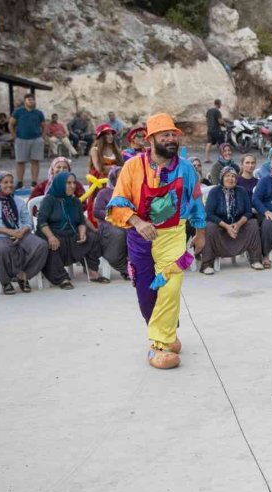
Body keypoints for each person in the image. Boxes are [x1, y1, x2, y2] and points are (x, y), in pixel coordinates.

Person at [106, 113, 207, 369]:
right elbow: (117, 203)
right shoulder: (132, 167)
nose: (171, 138)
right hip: (140, 238)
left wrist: (201, 232)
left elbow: (195, 200)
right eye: (165, 135)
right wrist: (138, 222)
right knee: (146, 292)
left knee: (171, 287)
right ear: (151, 139)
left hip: (174, 235)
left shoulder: (185, 168)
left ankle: (158, 346)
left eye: (173, 134)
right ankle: (167, 333)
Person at [0, 171, 48, 294]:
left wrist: (21, 231)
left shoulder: (18, 201)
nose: (9, 185)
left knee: (40, 245)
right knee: (2, 249)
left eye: (11, 182)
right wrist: (10, 232)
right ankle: (5, 280)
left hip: (19, 232)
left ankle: (23, 276)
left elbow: (27, 221)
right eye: (5, 182)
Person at [38, 172, 106, 289]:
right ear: (60, 184)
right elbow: (41, 222)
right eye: (68, 183)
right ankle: (61, 278)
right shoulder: (49, 200)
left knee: (93, 238)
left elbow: (80, 221)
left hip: (71, 235)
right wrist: (51, 236)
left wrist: (82, 231)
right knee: (51, 245)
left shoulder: (75, 201)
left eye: (74, 183)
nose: (72, 186)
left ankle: (93, 272)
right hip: (53, 234)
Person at [201, 166, 264, 273]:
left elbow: (248, 212)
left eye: (233, 176)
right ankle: (207, 264)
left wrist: (238, 224)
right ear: (222, 177)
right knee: (209, 227)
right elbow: (209, 214)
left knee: (253, 223)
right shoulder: (214, 192)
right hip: (220, 228)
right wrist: (226, 226)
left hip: (238, 228)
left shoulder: (241, 191)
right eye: (227, 176)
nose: (231, 179)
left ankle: (255, 260)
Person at [92, 166, 129, 280]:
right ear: (113, 178)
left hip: (127, 222)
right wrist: (115, 213)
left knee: (135, 232)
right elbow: (97, 211)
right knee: (118, 234)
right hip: (108, 224)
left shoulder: (130, 191)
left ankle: (132, 266)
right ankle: (123, 266)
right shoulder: (104, 193)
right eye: (119, 177)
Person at [9, 93, 47, 188]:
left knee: (35, 161)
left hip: (36, 140)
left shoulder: (38, 113)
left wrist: (42, 137)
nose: (31, 101)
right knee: (20, 161)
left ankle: (34, 182)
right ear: (25, 101)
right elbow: (11, 124)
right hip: (21, 139)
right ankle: (20, 182)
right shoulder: (18, 112)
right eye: (29, 99)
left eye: (32, 99)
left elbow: (44, 126)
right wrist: (14, 137)